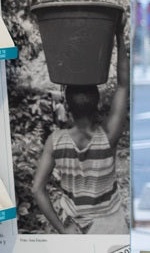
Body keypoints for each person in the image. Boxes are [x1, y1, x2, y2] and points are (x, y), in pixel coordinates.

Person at [32, 24, 129, 234]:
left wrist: (61, 230)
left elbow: (37, 189)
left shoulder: (55, 141)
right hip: (109, 226)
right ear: (98, 104)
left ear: (67, 106)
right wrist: (119, 35)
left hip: (73, 227)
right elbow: (123, 85)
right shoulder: (108, 137)